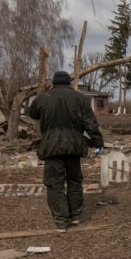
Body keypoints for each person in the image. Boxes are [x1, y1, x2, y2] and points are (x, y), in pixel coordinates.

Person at [28, 71, 104, 232]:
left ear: (53, 83)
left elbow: (32, 113)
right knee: (74, 180)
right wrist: (98, 142)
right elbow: (91, 123)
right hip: (74, 146)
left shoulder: (43, 98)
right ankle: (75, 215)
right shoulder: (80, 98)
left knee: (54, 183)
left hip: (51, 147)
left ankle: (61, 221)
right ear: (69, 83)